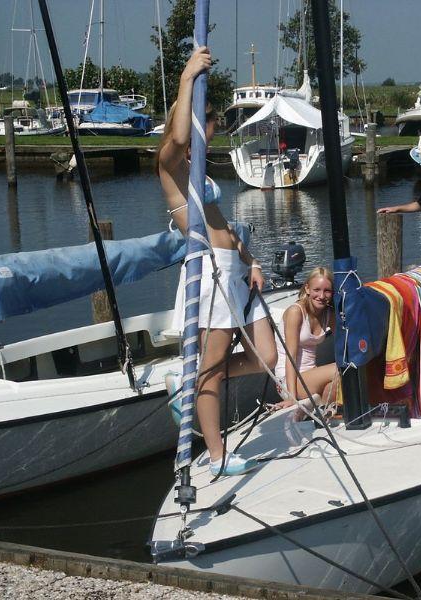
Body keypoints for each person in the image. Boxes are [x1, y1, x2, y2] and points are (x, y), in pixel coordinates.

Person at [159, 46, 277, 476]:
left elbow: (224, 224)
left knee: (266, 356)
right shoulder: (172, 173)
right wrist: (188, 76)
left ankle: (187, 383)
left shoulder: (203, 178)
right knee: (210, 374)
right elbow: (174, 140)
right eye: (208, 119)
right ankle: (216, 455)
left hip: (236, 276)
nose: (215, 126)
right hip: (210, 279)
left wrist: (253, 261)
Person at [270, 267, 338, 414]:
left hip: (311, 376)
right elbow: (291, 356)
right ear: (307, 288)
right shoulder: (296, 312)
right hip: (289, 381)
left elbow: (342, 343)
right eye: (317, 290)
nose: (321, 295)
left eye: (327, 291)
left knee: (339, 382)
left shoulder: (328, 313)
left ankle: (323, 415)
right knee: (341, 369)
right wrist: (291, 397)